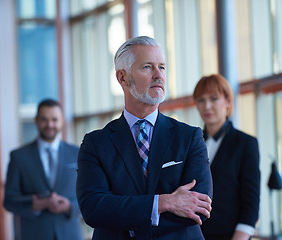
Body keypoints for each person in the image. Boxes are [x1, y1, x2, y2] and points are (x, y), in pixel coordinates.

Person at [76, 36, 213, 240]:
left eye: (162, 67)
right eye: (148, 67)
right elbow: (94, 208)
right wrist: (162, 203)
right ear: (122, 78)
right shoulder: (95, 144)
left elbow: (198, 206)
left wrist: (127, 219)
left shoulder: (190, 137)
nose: (159, 75)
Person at [3, 99, 84, 240]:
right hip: (33, 235)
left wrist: (69, 206)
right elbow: (9, 201)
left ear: (62, 121)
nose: (50, 125)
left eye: (54, 119)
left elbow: (90, 196)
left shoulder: (77, 153)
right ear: (36, 120)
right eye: (44, 120)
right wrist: (36, 204)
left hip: (70, 234)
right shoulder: (19, 157)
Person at [193, 74, 260, 240]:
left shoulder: (245, 143)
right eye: (201, 100)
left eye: (214, 99)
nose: (206, 106)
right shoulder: (191, 142)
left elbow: (251, 204)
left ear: (228, 102)